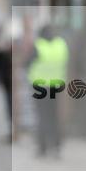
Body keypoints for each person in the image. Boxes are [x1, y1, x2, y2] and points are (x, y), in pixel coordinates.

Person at [26, 25, 68, 157]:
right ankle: (56, 147)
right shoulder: (61, 45)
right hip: (56, 86)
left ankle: (42, 148)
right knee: (54, 117)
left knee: (42, 117)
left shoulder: (39, 46)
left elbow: (27, 63)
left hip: (40, 87)